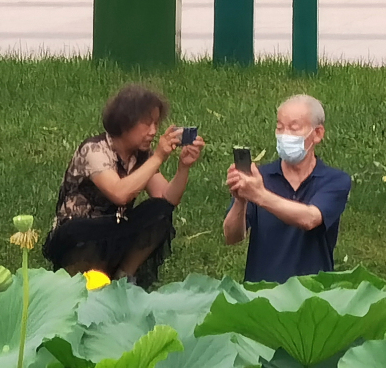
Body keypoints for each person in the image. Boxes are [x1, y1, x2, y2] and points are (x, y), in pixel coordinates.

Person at [42, 83, 205, 288]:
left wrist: (183, 167)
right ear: (125, 122)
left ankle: (124, 277)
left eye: (156, 123)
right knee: (89, 230)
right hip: (79, 235)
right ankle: (92, 281)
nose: (153, 131)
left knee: (160, 210)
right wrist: (159, 157)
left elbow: (167, 197)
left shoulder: (141, 156)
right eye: (147, 124)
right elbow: (119, 194)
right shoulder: (94, 150)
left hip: (116, 230)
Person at [223, 94, 351, 284]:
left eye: (294, 128)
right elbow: (231, 237)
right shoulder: (260, 178)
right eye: (280, 127)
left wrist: (259, 195)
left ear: (317, 134)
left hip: (313, 296)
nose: (284, 135)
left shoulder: (334, 180)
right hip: (261, 296)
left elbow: (310, 218)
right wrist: (241, 200)